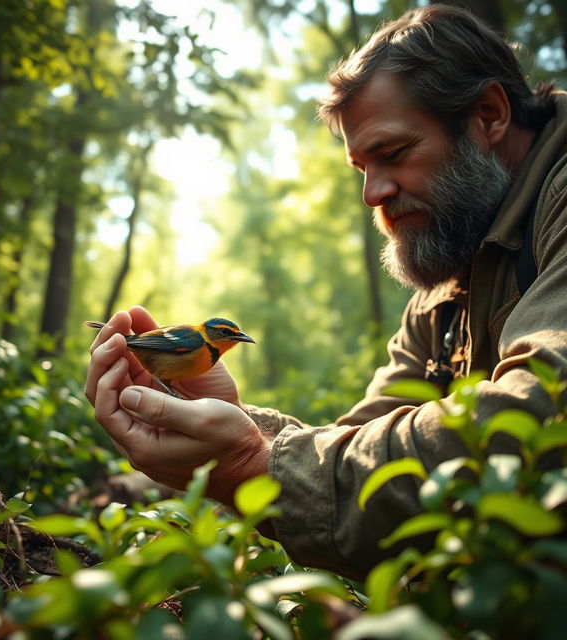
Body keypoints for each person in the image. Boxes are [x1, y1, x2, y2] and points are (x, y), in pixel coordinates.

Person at [85, 4, 567, 580]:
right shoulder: (447, 279)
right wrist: (234, 425)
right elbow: (361, 445)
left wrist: (253, 465)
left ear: (488, 115)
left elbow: (544, 408)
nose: (373, 194)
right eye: (360, 168)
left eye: (392, 154)